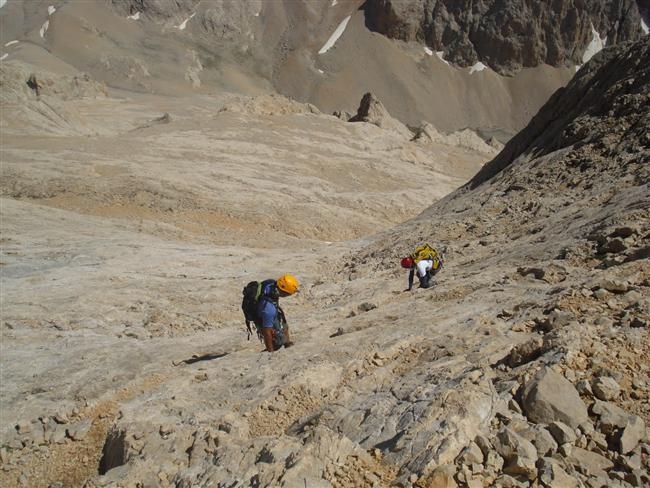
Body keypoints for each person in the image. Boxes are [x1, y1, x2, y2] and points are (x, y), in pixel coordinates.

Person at [256, 274, 299, 352]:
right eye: (288, 294)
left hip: (268, 307)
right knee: (278, 341)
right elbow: (267, 331)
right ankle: (273, 348)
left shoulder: (273, 284)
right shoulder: (269, 310)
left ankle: (287, 342)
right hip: (263, 314)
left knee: (282, 321)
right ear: (283, 292)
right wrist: (271, 351)